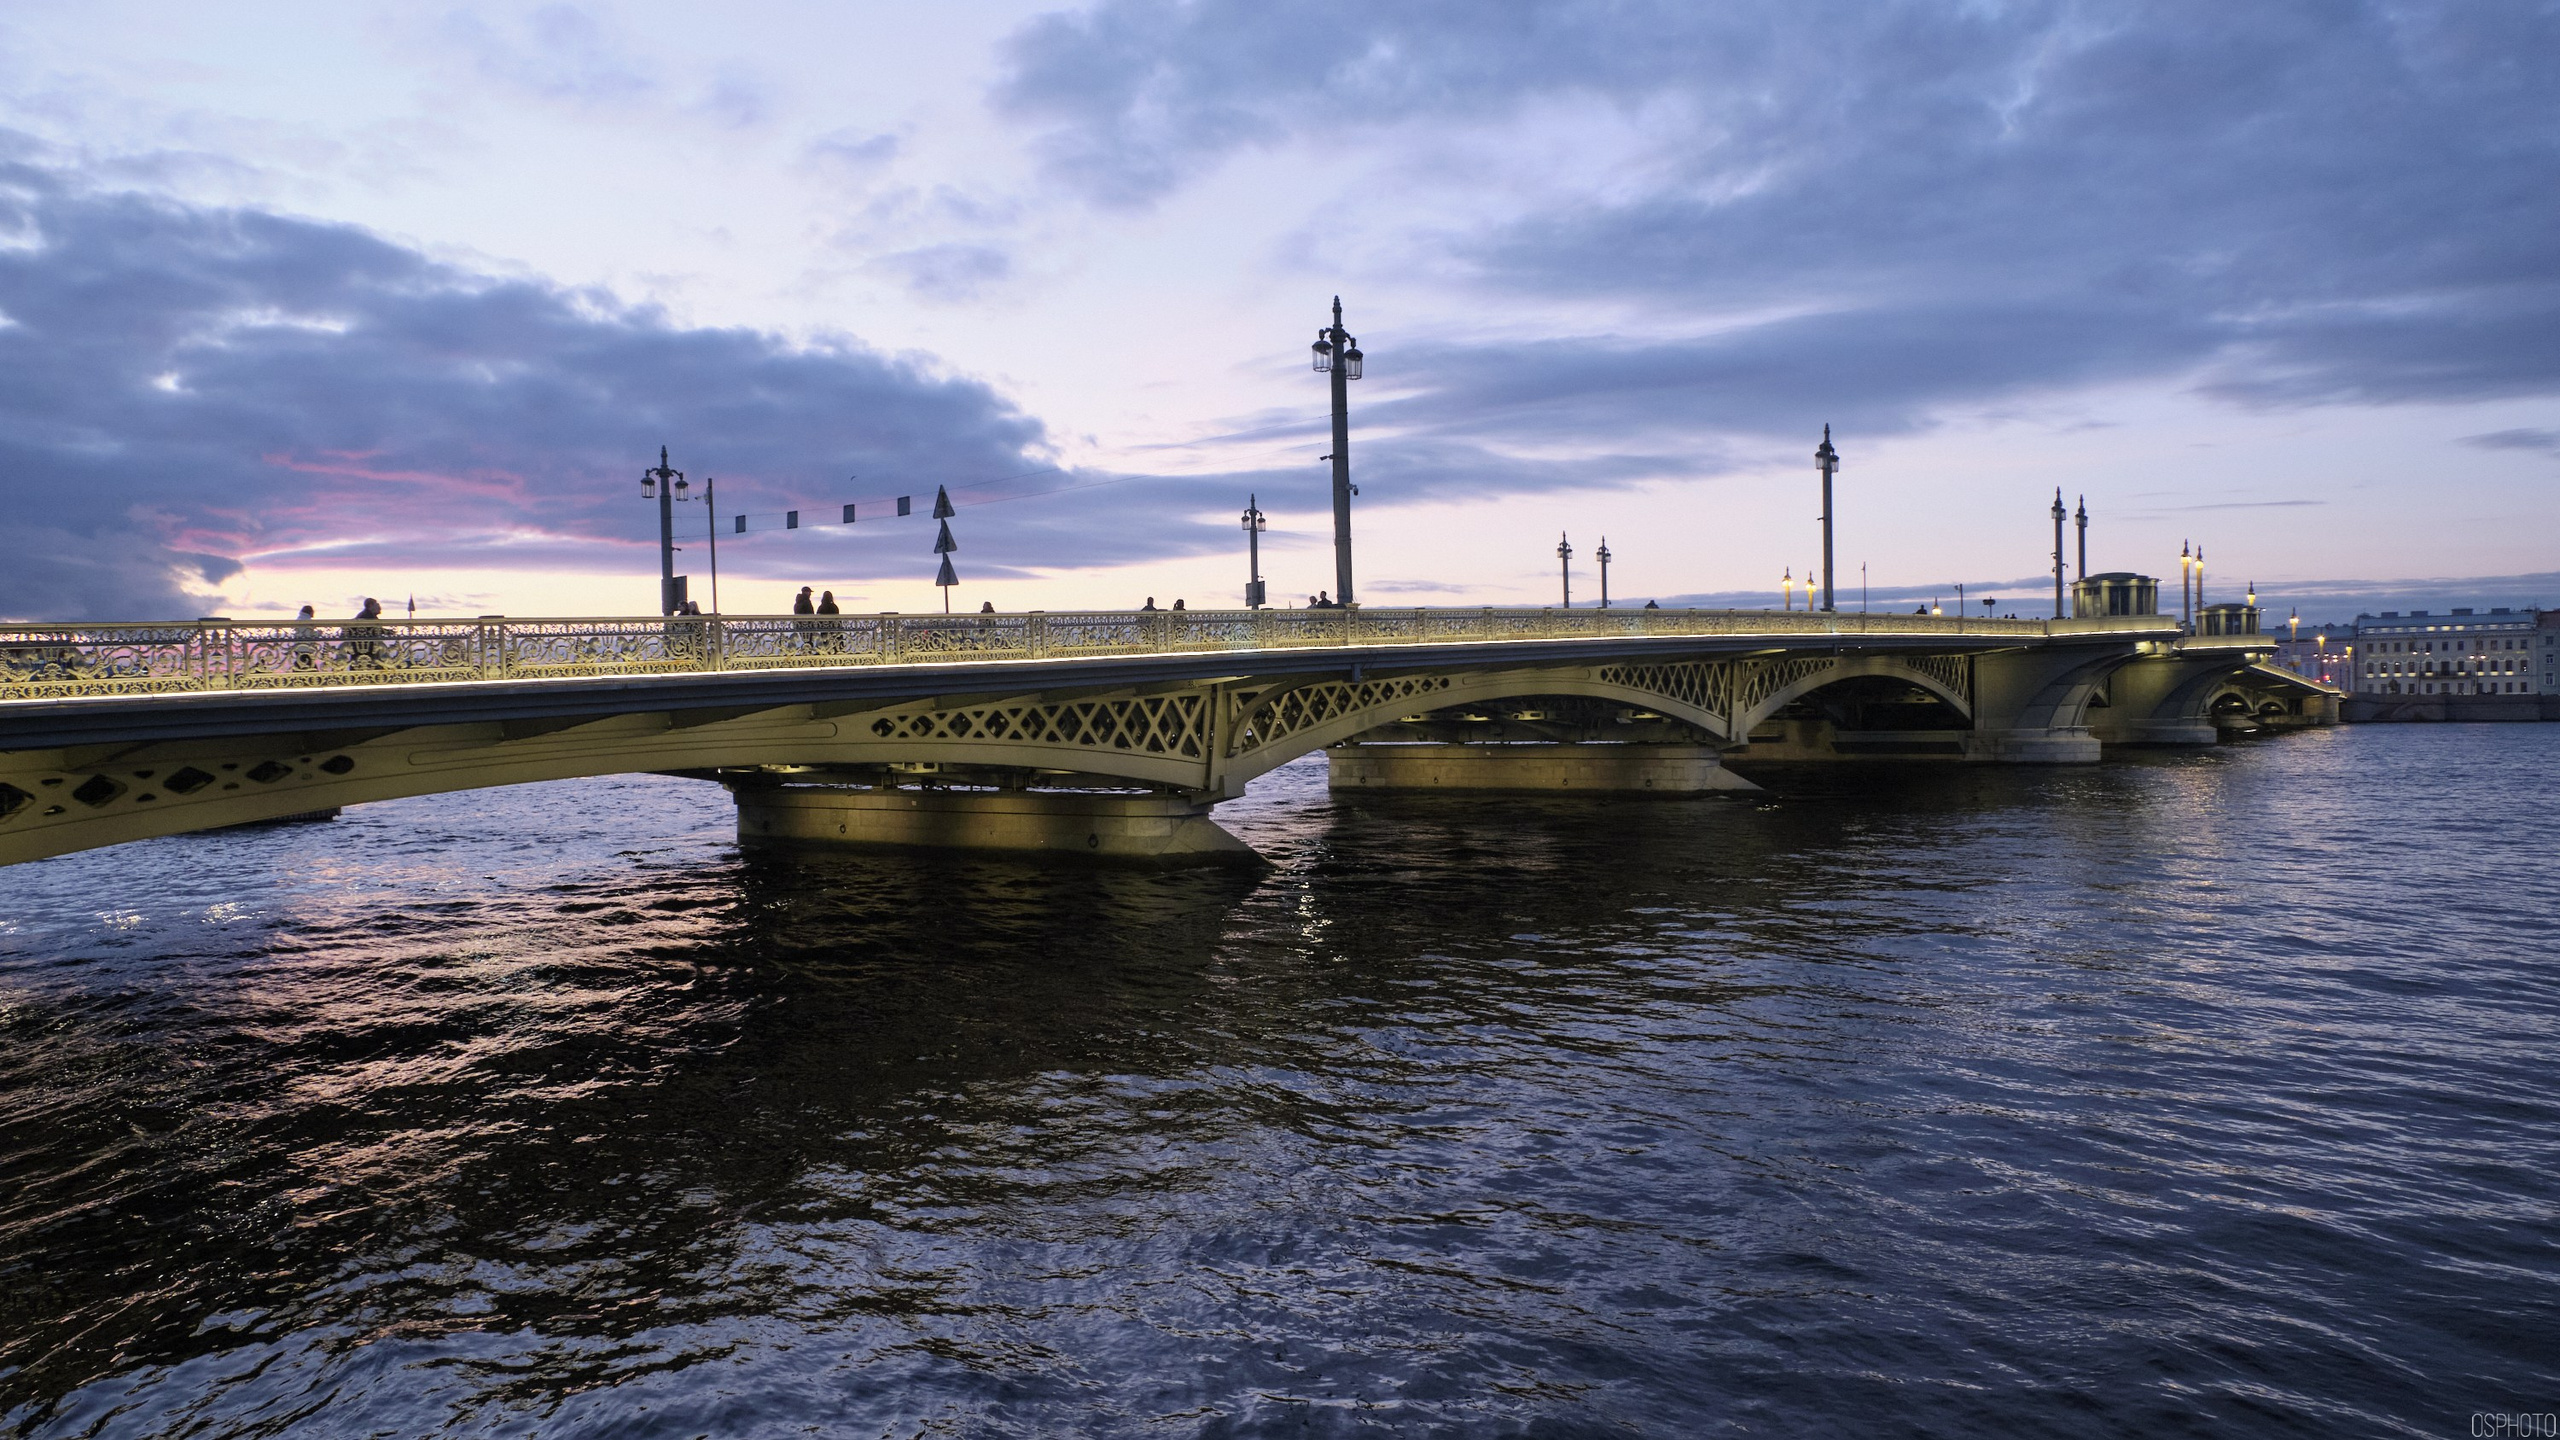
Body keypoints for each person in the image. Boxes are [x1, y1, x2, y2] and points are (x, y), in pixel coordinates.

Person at [348, 597, 384, 668]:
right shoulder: (367, 616)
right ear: (370, 605)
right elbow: (373, 630)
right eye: (377, 605)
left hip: (363, 653)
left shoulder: (366, 615)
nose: (380, 608)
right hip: (366, 652)